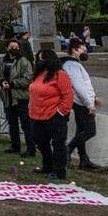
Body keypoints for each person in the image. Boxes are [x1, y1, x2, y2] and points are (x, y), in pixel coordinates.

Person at [28, 49, 73, 180]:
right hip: (36, 115)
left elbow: (68, 95)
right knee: (41, 142)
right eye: (38, 59)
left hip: (54, 115)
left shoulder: (60, 75)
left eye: (42, 59)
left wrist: (61, 112)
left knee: (58, 143)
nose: (40, 62)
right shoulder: (39, 74)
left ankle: (59, 170)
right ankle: (47, 166)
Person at [61, 38, 101, 169]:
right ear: (74, 50)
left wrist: (93, 97)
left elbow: (84, 85)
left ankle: (83, 159)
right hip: (82, 104)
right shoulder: (71, 65)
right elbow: (78, 86)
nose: (85, 53)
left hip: (82, 102)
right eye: (83, 50)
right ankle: (68, 149)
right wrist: (89, 104)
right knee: (90, 131)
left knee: (81, 131)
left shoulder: (74, 64)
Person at [0, 37, 35, 157]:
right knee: (12, 123)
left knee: (26, 124)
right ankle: (15, 146)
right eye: (12, 47)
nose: (14, 49)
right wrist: (2, 81)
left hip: (21, 98)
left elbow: (28, 78)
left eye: (16, 48)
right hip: (7, 98)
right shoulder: (2, 61)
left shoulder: (23, 62)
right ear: (7, 48)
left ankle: (31, 148)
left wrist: (13, 84)